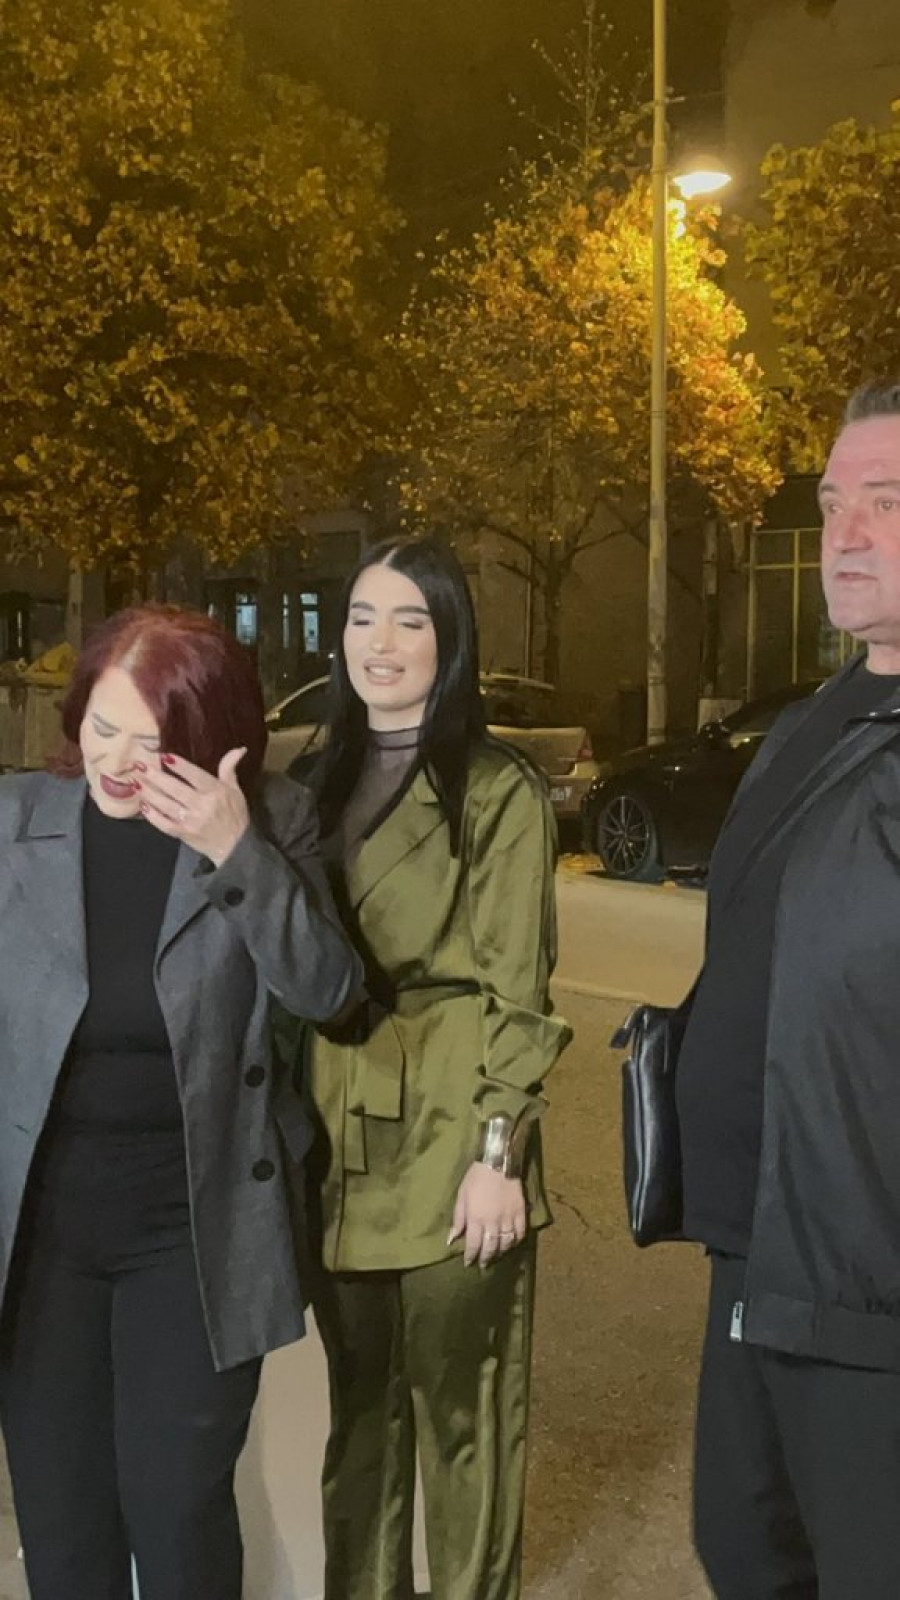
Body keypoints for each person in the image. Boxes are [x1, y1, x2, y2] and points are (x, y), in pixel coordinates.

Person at [0, 604, 363, 1600]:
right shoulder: (17, 821)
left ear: (206, 739)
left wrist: (235, 850)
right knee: (63, 1523)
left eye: (149, 741)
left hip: (192, 1234)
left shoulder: (271, 820)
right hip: (42, 1239)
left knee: (176, 1510)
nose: (116, 761)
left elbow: (328, 991)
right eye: (100, 727)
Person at [300, 536, 572, 1600]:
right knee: (361, 1415)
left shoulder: (494, 789)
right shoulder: (315, 778)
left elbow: (520, 994)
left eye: (410, 619)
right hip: (340, 1133)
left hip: (455, 1132)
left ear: (448, 639)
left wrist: (499, 1155)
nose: (382, 642)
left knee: (464, 1417)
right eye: (362, 616)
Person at [675, 379, 900, 1600]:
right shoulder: (814, 719)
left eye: (888, 502)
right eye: (831, 503)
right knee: (746, 1547)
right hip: (759, 1247)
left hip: (870, 1279)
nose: (846, 535)